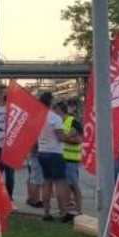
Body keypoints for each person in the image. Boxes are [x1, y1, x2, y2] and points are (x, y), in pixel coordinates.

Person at [34, 91, 77, 221]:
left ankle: (46, 213)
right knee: (60, 183)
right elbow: (60, 138)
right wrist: (70, 135)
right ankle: (63, 213)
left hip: (42, 152)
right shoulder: (55, 118)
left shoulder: (38, 116)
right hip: (55, 153)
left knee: (47, 182)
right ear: (51, 102)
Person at [61, 99, 84, 213]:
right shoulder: (60, 122)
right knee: (67, 185)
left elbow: (79, 139)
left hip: (71, 159)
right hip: (64, 159)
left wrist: (64, 138)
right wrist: (65, 137)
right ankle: (69, 209)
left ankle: (78, 210)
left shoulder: (73, 121)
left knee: (74, 185)